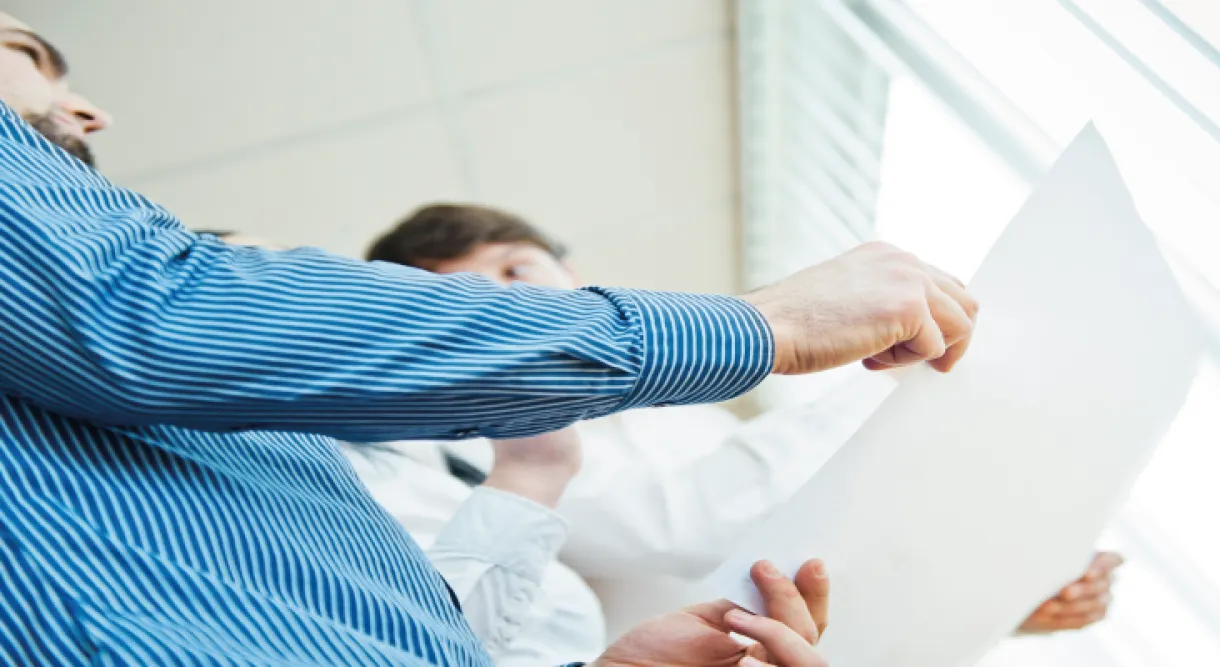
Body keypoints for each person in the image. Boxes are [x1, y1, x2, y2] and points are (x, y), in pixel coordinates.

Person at [0, 13, 977, 666]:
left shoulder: (240, 452)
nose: (90, 110)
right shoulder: (368, 421)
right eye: (28, 55)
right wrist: (769, 324)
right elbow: (154, 315)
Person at [351, 204, 1124, 663]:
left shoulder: (681, 410)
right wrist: (879, 381)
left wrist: (1004, 599)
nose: (500, 294)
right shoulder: (481, 446)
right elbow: (688, 527)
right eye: (459, 291)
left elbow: (809, 558)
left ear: (568, 267)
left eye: (516, 268)